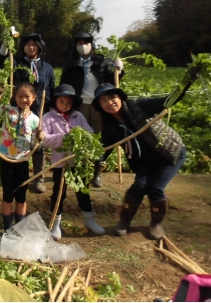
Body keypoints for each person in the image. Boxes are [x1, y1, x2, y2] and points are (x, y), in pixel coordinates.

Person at [93, 80, 194, 240]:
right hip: (144, 160)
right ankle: (124, 221)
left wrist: (187, 81)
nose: (109, 103)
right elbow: (105, 148)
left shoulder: (138, 106)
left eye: (112, 98)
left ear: (120, 98)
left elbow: (168, 101)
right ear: (100, 106)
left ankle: (156, 223)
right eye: (103, 101)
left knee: (155, 188)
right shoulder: (110, 124)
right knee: (138, 187)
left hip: (167, 153)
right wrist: (91, 161)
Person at [41, 84, 106, 240]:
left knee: (83, 191)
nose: (65, 105)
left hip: (79, 162)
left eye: (69, 102)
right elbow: (45, 140)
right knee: (59, 193)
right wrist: (64, 138)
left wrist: (81, 135)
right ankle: (55, 224)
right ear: (55, 101)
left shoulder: (78, 116)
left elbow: (89, 132)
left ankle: (90, 221)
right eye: (62, 101)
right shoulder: (48, 118)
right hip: (60, 163)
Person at [60, 32, 124, 187]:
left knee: (100, 139)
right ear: (75, 46)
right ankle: (80, 171)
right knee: (79, 138)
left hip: (99, 105)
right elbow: (64, 84)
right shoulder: (71, 64)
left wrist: (119, 70)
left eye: (86, 42)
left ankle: (97, 173)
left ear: (91, 44)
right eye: (79, 43)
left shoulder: (102, 62)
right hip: (79, 105)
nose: (83, 45)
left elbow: (112, 79)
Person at [0, 33, 54, 194]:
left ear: (40, 47)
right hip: (19, 108)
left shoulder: (47, 67)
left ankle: (39, 178)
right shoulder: (16, 63)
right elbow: (2, 62)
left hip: (39, 109)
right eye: (28, 44)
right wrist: (5, 43)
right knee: (19, 138)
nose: (31, 47)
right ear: (23, 47)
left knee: (38, 143)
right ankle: (17, 170)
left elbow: (51, 86)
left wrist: (47, 106)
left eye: (34, 44)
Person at [0, 81, 43, 230]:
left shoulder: (35, 119)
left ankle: (20, 227)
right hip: (6, 159)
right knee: (8, 194)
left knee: (21, 195)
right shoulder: (7, 110)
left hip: (22, 160)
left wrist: (40, 139)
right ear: (15, 97)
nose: (24, 100)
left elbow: (37, 144)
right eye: (20, 96)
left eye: (27, 96)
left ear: (34, 98)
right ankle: (8, 228)